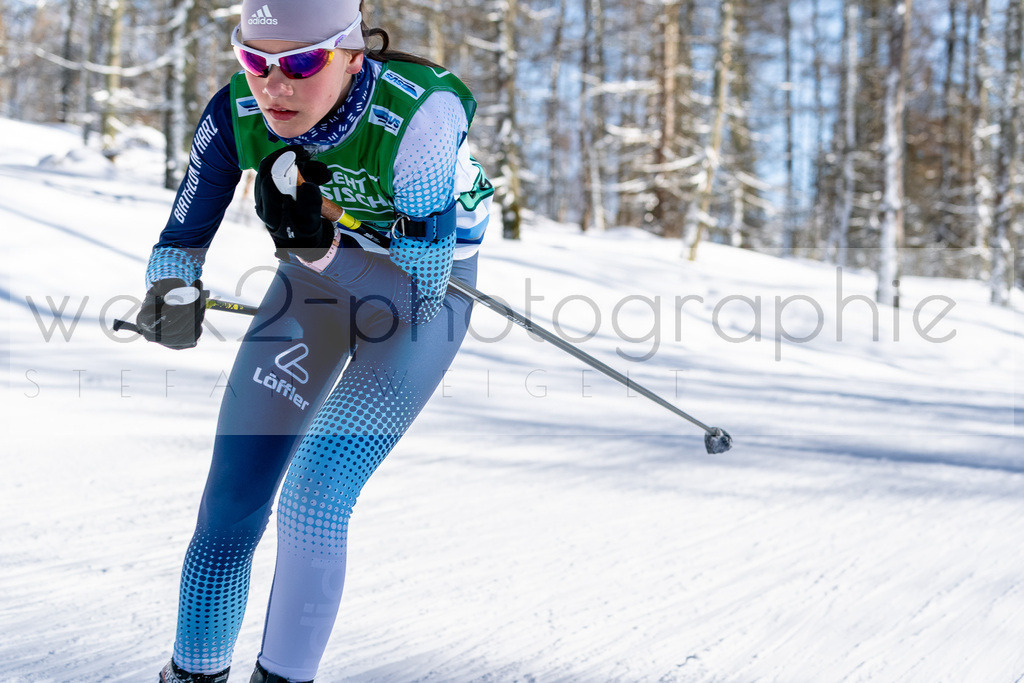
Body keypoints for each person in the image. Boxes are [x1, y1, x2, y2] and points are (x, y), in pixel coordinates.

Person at [136, 0, 493, 679]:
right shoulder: (236, 111)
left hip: (425, 289)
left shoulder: (420, 117)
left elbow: (416, 300)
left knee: (314, 498)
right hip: (314, 281)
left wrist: (319, 247)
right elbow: (180, 239)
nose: (275, 85)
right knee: (230, 504)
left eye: (301, 63)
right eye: (255, 60)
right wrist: (170, 289)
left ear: (352, 56)